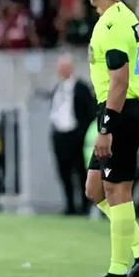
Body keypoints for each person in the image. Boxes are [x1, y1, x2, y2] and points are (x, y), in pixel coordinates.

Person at [78, 0, 139, 277]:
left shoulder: (111, 25)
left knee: (117, 190)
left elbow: (119, 81)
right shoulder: (124, 16)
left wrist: (106, 128)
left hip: (121, 113)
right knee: (94, 189)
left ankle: (117, 271)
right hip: (121, 111)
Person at [49, 54, 96, 215]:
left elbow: (89, 112)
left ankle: (84, 206)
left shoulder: (81, 88)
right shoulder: (57, 88)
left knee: (80, 172)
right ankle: (69, 205)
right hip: (59, 135)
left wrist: (82, 132)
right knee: (63, 171)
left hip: (76, 135)